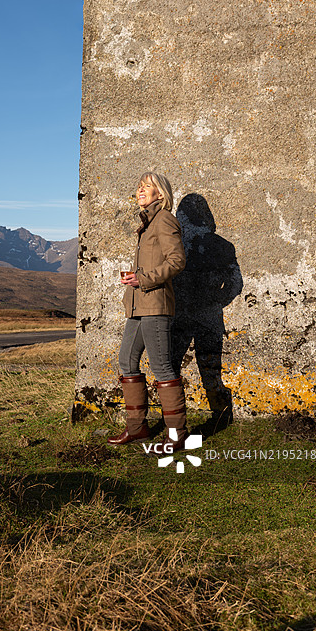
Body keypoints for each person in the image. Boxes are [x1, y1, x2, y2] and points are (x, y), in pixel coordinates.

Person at [108, 172, 188, 447]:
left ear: (160, 194)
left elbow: (177, 261)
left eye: (147, 187)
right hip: (138, 304)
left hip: (155, 304)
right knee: (127, 362)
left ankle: (177, 435)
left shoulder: (164, 219)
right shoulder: (147, 222)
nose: (141, 190)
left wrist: (143, 278)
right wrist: (135, 280)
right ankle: (137, 428)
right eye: (139, 186)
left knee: (162, 367)